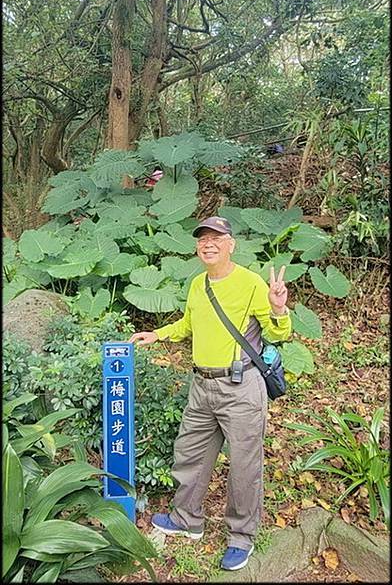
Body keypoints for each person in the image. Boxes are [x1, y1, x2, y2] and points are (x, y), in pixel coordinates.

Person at [130, 216, 291, 571]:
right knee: (189, 454)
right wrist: (157, 335)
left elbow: (278, 334)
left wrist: (278, 308)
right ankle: (187, 519)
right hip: (201, 386)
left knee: (244, 466)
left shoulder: (250, 283)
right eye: (203, 238)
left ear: (231, 244)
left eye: (216, 238)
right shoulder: (197, 284)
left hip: (240, 387)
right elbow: (188, 325)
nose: (208, 243)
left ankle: (241, 537)